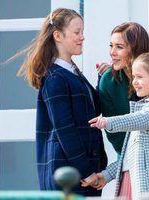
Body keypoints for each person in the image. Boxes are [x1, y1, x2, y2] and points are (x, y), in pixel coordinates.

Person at [16, 8, 107, 196]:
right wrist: (87, 171)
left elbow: (92, 110)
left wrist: (103, 79)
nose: (82, 37)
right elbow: (65, 130)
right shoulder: (55, 78)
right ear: (58, 35)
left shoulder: (71, 73)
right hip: (70, 177)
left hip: (82, 174)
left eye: (82, 32)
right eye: (77, 32)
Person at [81, 52, 149, 200]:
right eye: (134, 77)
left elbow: (139, 119)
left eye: (140, 77)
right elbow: (128, 157)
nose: (134, 82)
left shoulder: (142, 113)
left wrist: (107, 122)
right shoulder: (141, 107)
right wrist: (106, 174)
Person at [96, 22, 149, 155]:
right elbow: (115, 135)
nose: (112, 52)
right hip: (129, 158)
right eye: (111, 46)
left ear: (135, 49)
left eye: (119, 47)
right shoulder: (107, 81)